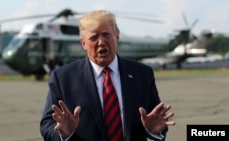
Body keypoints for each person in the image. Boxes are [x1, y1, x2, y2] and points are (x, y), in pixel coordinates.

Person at [40, 9, 176, 141]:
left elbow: (157, 119)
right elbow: (47, 125)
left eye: (106, 34)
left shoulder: (142, 74)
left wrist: (154, 130)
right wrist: (63, 133)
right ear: (83, 43)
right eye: (93, 37)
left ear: (117, 37)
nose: (101, 42)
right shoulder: (63, 78)